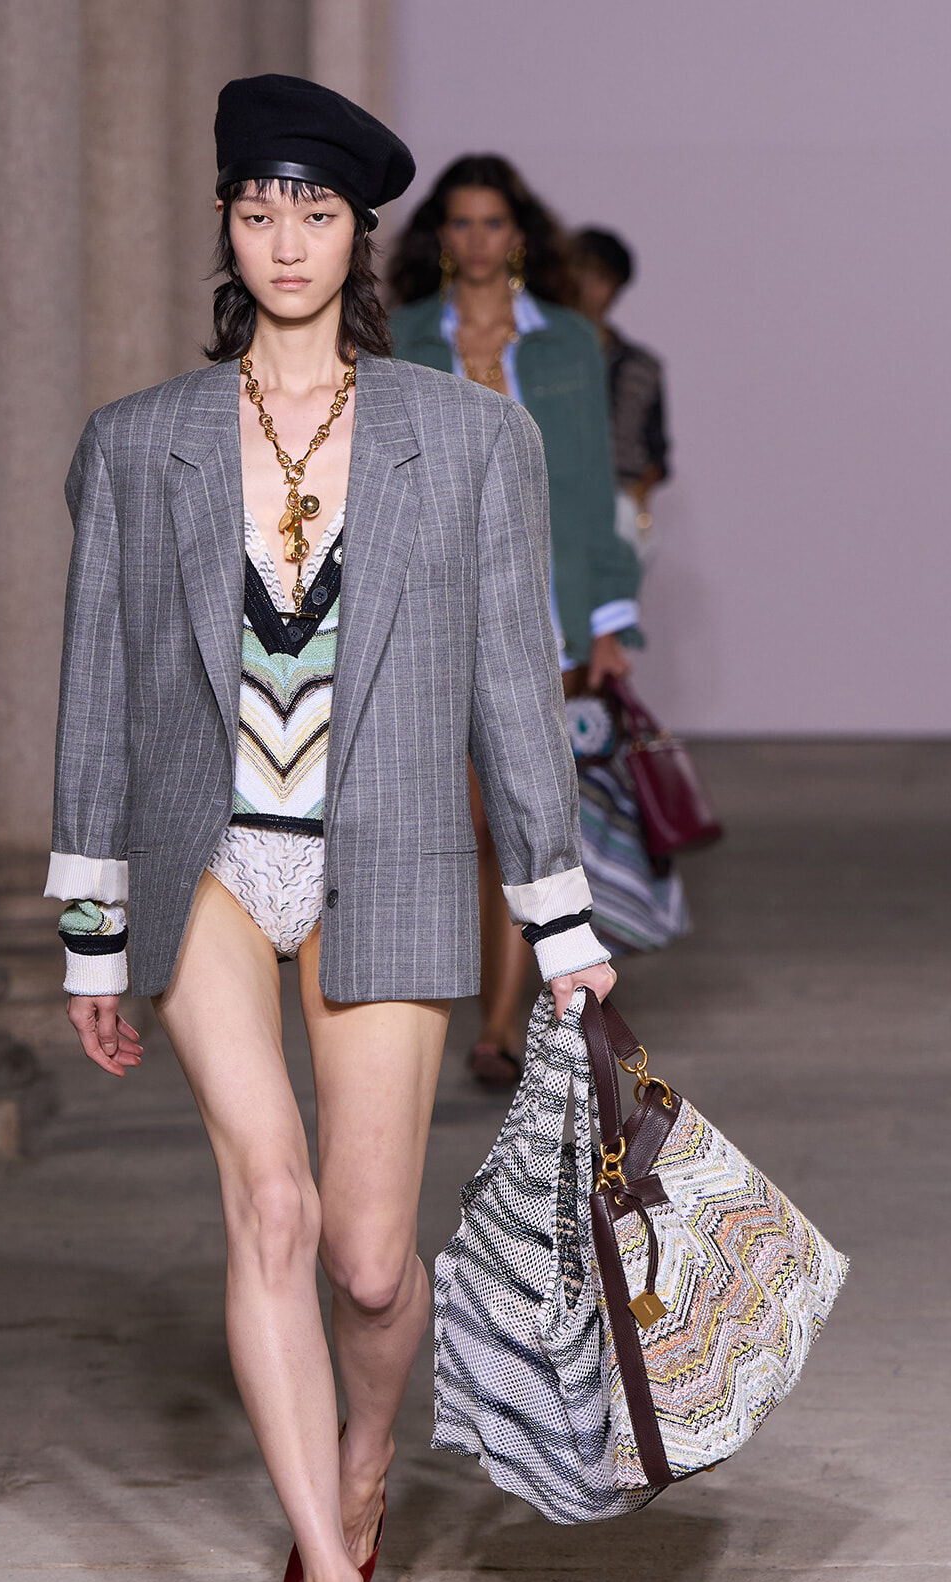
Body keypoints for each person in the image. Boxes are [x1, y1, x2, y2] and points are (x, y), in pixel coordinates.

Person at [44, 77, 616, 1582]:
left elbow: (510, 689)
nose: (285, 241)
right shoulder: (139, 442)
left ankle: (366, 1457)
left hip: (393, 850)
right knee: (272, 1211)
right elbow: (97, 689)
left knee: (369, 1263)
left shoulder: (471, 437)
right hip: (209, 857)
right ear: (226, 228)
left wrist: (562, 923)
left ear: (357, 237)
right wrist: (91, 930)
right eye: (257, 210)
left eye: (314, 213)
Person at [388, 156, 641, 1084]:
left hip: (545, 610)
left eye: (492, 222)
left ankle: (495, 1029)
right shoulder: (401, 338)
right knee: (458, 824)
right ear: (440, 235)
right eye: (460, 222)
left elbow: (593, 487)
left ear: (518, 234)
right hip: (429, 604)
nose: (476, 239)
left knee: (517, 820)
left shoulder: (568, 341)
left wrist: (610, 619)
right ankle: (453, 1009)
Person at [572, 226, 672, 563]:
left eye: (600, 278)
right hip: (553, 497)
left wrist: (636, 496)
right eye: (580, 271)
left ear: (617, 289)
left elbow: (657, 452)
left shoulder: (642, 368)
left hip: (619, 501)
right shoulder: (536, 356)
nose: (586, 286)